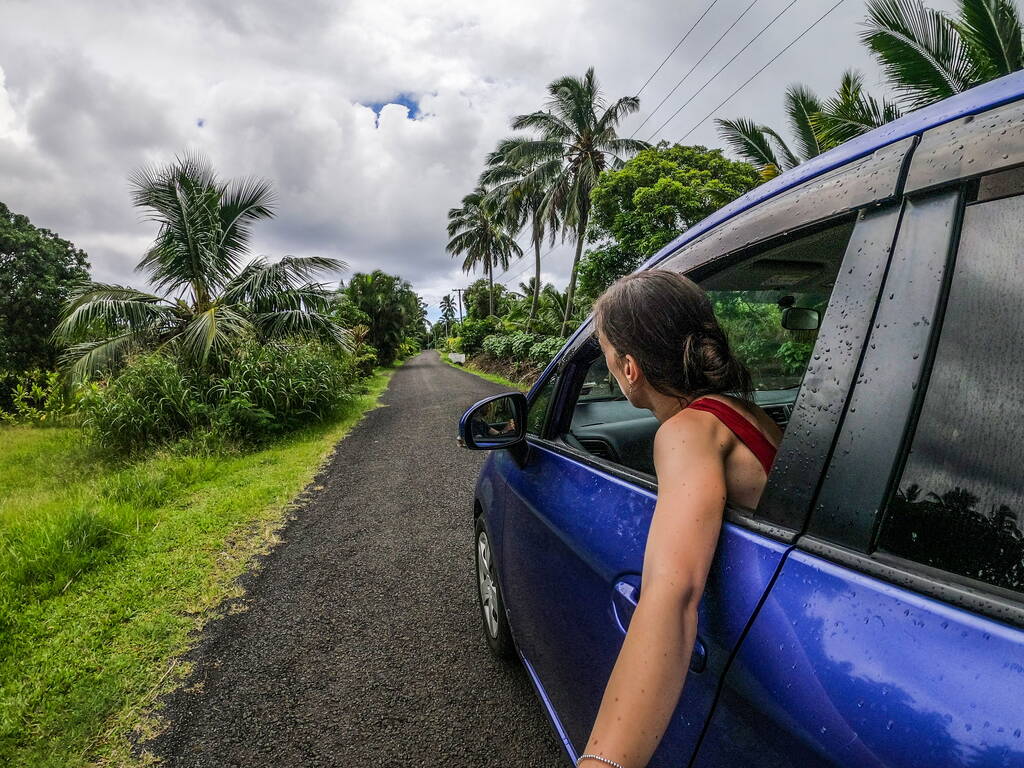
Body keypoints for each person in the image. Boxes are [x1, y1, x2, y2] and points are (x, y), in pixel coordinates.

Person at [577, 269, 783, 768]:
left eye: (606, 354)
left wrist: (604, 760)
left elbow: (674, 595)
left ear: (629, 368)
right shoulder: (742, 412)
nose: (607, 370)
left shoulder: (686, 431)